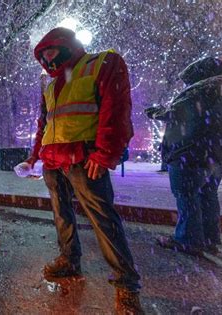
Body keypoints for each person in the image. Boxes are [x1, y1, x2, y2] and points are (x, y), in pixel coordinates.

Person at [31, 27, 142, 314]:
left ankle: (126, 285)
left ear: (65, 45)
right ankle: (69, 259)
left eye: (50, 52)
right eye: (42, 56)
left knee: (103, 220)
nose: (47, 59)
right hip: (53, 161)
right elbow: (44, 123)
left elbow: (116, 110)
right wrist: (35, 157)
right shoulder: (49, 84)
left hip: (84, 160)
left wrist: (105, 154)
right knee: (62, 216)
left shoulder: (101, 63)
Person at [145, 57, 222, 257]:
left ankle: (188, 240)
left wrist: (156, 112)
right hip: (213, 154)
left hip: (188, 154)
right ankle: (209, 239)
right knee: (208, 196)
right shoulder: (220, 89)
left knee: (187, 196)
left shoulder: (201, 88)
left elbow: (177, 113)